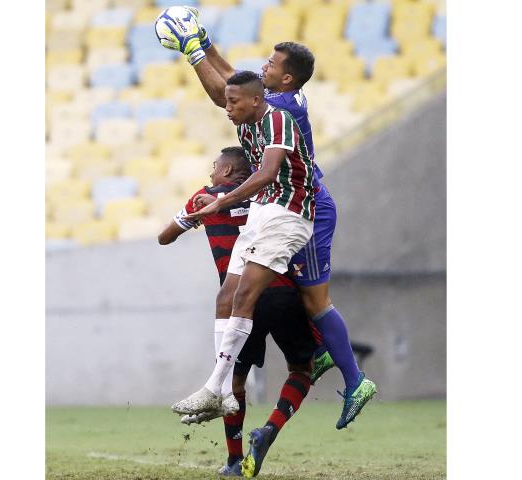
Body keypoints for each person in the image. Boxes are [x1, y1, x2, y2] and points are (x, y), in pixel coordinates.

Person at [159, 10, 377, 429]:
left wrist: (192, 53)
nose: (265, 66)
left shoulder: (278, 110)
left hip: (302, 204)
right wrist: (205, 44)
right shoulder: (272, 98)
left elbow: (226, 93)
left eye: (272, 65)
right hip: (274, 202)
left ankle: (350, 377)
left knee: (313, 301)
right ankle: (308, 362)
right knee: (246, 294)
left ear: (284, 81)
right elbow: (237, 84)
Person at [158, 147, 317, 477]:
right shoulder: (266, 195)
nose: (211, 173)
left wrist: (196, 216)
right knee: (302, 369)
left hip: (240, 304)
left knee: (235, 383)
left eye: (215, 167)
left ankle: (233, 460)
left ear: (228, 171)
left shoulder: (206, 197)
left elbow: (165, 237)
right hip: (282, 294)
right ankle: (270, 428)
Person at [170, 71, 316, 423]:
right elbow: (221, 91)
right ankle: (220, 394)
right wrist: (196, 55)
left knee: (245, 297)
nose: (227, 106)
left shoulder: (276, 119)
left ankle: (214, 388)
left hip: (288, 214)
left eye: (234, 101)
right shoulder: (245, 128)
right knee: (226, 298)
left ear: (255, 99)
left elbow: (266, 174)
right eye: (227, 100)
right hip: (263, 213)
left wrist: (221, 203)